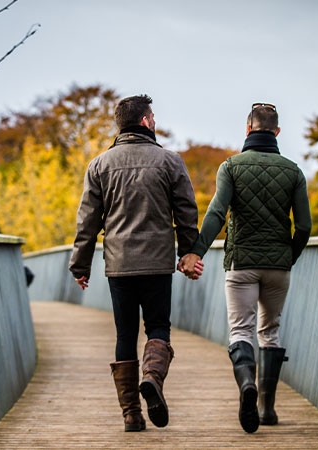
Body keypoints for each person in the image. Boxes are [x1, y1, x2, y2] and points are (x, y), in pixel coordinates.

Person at [68, 94, 199, 432]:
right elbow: (186, 212)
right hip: (157, 263)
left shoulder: (99, 165)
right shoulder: (170, 161)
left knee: (125, 333)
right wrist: (188, 252)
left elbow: (88, 221)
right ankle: (152, 378)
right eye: (152, 116)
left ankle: (131, 414)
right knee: (157, 327)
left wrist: (80, 265)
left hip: (119, 265)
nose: (154, 120)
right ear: (145, 121)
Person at [178, 102, 311, 433]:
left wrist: (196, 252)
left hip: (241, 264)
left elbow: (216, 214)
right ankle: (266, 409)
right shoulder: (293, 171)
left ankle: (246, 384)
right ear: (277, 132)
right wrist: (287, 257)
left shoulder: (231, 167)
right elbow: (305, 227)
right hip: (278, 266)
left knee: (241, 330)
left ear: (248, 129)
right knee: (270, 330)